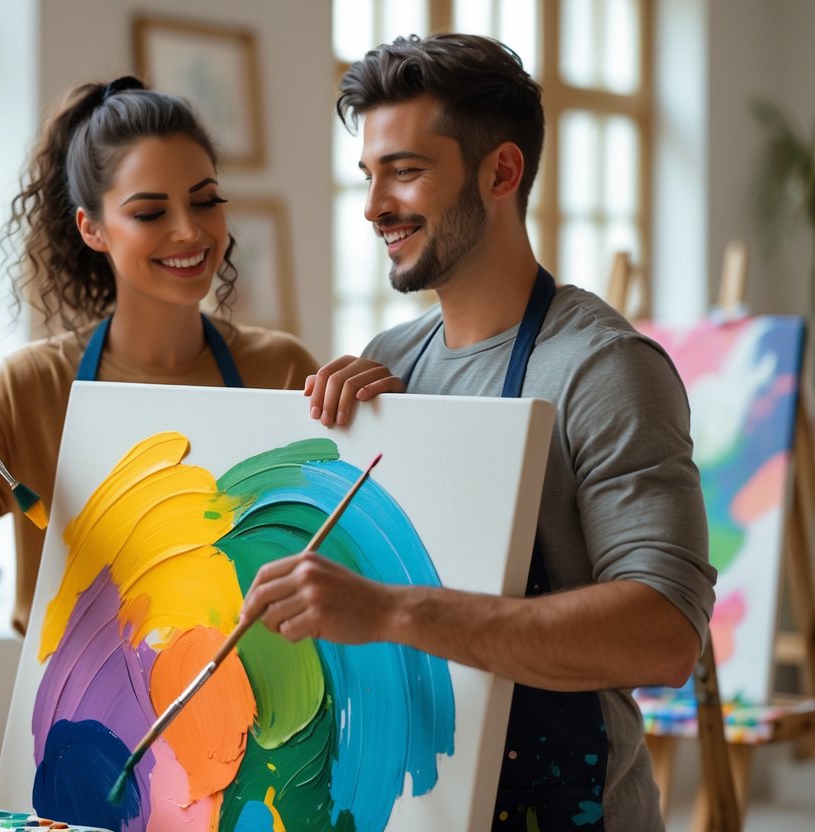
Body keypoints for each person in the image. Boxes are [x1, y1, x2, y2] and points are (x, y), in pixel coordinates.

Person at [242, 34, 716, 830]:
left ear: (500, 172)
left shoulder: (602, 368)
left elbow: (665, 634)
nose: (372, 206)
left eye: (406, 170)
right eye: (369, 175)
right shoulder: (388, 366)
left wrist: (394, 611)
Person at [0, 77, 318, 636]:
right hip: (73, 720)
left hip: (259, 716)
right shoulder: (34, 386)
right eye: (150, 213)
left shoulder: (285, 370)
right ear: (92, 228)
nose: (190, 230)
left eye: (205, 201)